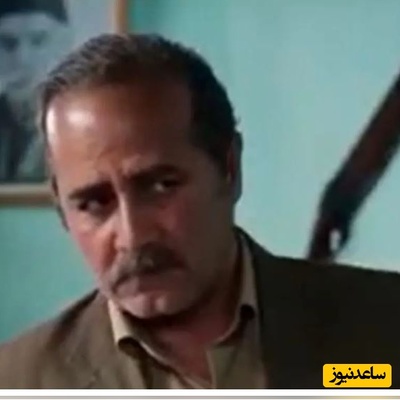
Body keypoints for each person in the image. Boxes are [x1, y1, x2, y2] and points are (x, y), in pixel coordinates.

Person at [1, 33, 400, 389]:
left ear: (229, 169)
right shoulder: (20, 381)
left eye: (161, 186)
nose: (133, 236)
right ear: (61, 210)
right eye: (94, 204)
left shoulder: (384, 329)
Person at [0, 0, 71, 183]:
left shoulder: (82, 124)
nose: (23, 59)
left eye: (38, 41)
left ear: (64, 46)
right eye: (7, 44)